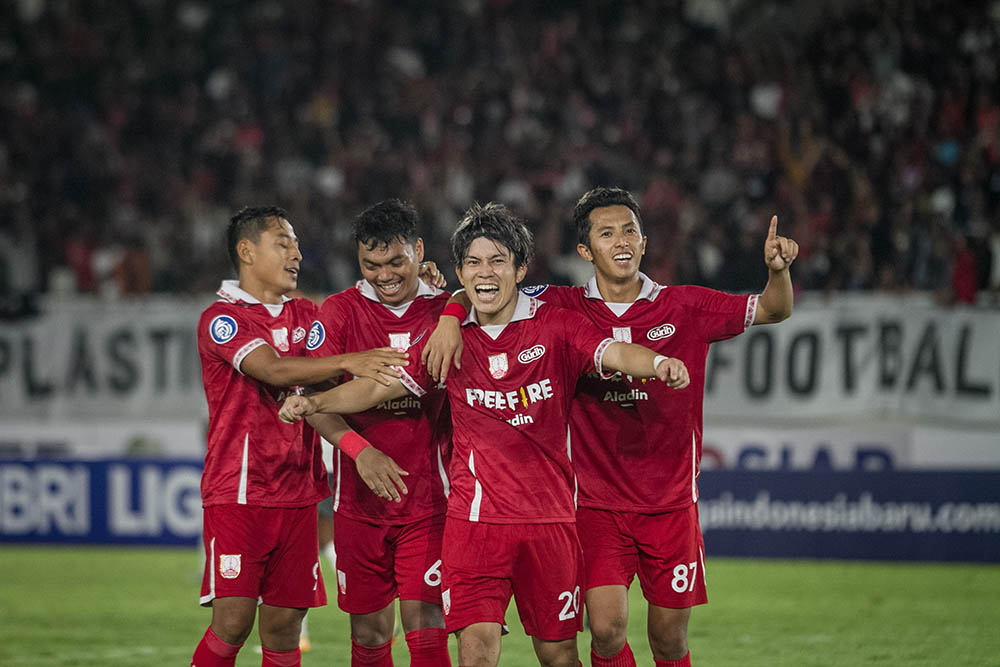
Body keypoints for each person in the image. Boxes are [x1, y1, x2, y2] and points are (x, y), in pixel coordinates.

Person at [278, 202, 691, 667]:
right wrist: (315, 403)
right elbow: (378, 386)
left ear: (520, 268)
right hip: (472, 529)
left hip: (548, 524)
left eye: (497, 261)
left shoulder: (554, 323)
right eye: (473, 262)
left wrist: (657, 363)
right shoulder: (445, 338)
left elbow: (612, 351)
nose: (485, 272)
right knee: (473, 657)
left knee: (559, 656)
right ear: (460, 271)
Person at [422, 187, 798, 667]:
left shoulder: (685, 305)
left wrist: (779, 272)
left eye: (630, 231)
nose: (621, 241)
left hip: (671, 503)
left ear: (644, 242)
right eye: (607, 233)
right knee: (605, 629)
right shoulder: (563, 305)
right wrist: (452, 314)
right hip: (594, 505)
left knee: (669, 640)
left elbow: (774, 309)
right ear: (586, 250)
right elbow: (487, 285)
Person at [190, 205, 410, 667]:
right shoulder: (222, 318)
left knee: (286, 626)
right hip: (240, 493)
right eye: (283, 242)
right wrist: (347, 360)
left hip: (298, 495)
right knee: (232, 622)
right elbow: (271, 368)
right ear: (247, 251)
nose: (296, 253)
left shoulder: (309, 314)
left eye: (296, 244)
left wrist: (423, 281)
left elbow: (322, 378)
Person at [302, 199, 454, 667]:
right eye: (371, 264)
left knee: (426, 626)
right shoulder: (339, 312)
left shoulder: (446, 312)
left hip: (429, 503)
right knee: (369, 636)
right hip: (358, 507)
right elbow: (313, 404)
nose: (384, 275)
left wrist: (456, 297)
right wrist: (360, 450)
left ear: (419, 251)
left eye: (395, 262)